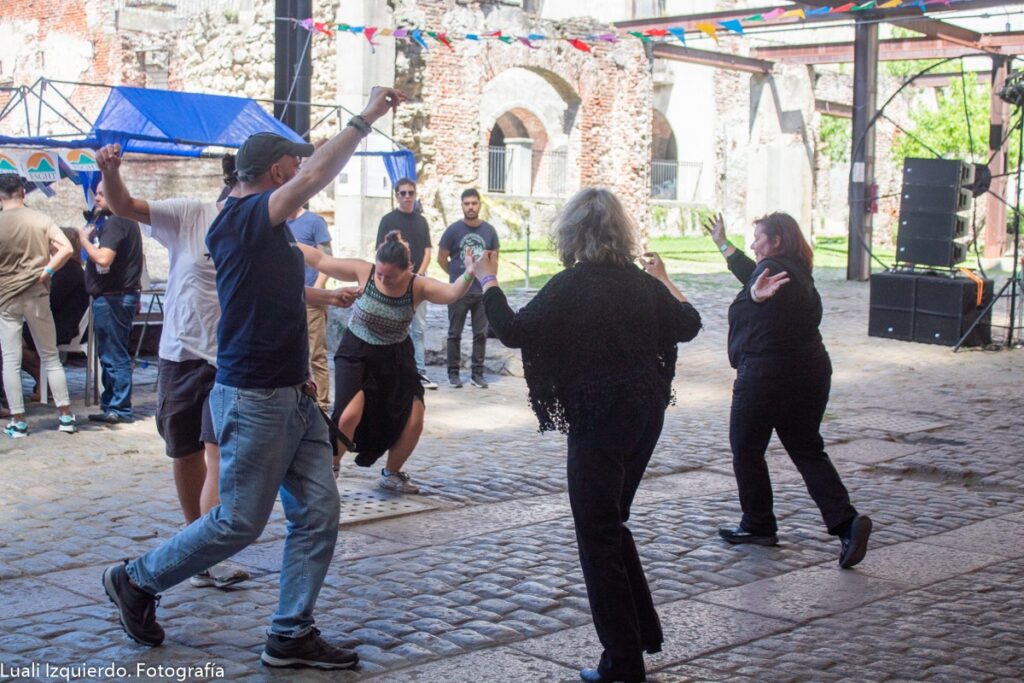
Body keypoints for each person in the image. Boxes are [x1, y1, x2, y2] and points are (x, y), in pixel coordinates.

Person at [101, 87, 402, 671]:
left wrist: (310, 343)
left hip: (290, 393)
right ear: (278, 171)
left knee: (318, 512)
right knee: (238, 521)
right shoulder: (242, 217)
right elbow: (316, 174)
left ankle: (290, 632)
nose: (301, 170)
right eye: (293, 162)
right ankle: (136, 580)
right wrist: (366, 117)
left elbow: (274, 291)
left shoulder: (267, 228)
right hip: (254, 395)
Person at [474, 188, 702, 683]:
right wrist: (664, 279)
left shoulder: (571, 285)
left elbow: (512, 330)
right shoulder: (641, 285)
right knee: (611, 524)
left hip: (600, 420)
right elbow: (689, 323)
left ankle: (623, 663)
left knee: (597, 535)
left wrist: (487, 280)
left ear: (572, 233)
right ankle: (639, 635)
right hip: (645, 417)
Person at [96, 151, 255, 589]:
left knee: (219, 454)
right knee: (185, 452)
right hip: (183, 354)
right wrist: (111, 172)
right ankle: (198, 548)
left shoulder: (263, 229)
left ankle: (211, 552)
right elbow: (124, 205)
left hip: (231, 360)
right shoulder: (191, 215)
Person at [705, 211, 872, 569]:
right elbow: (751, 274)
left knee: (746, 448)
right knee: (807, 449)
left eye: (759, 238)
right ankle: (846, 522)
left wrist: (754, 297)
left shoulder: (774, 275)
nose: (753, 245)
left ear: (777, 241)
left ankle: (758, 523)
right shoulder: (794, 270)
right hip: (809, 371)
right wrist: (722, 244)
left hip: (767, 376)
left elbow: (759, 289)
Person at [300, 230, 478, 494]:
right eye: (380, 274)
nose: (383, 280)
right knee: (349, 414)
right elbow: (320, 260)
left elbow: (451, 293)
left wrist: (469, 273)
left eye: (390, 277)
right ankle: (331, 467)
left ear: (408, 269)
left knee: (415, 416)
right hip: (357, 352)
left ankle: (392, 473)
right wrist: (284, 239)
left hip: (396, 356)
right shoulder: (365, 271)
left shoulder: (417, 286)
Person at [0, 175, 78, 437]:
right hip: (37, 293)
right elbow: (67, 249)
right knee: (51, 357)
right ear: (23, 192)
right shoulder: (40, 219)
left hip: (6, 298)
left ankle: (18, 421)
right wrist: (48, 271)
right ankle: (65, 416)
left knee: (11, 361)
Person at [80, 183, 144, 424]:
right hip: (116, 296)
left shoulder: (116, 223)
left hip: (114, 298)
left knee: (114, 354)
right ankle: (111, 404)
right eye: (96, 194)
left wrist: (84, 240)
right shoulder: (125, 221)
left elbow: (104, 258)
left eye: (102, 194)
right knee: (110, 353)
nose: (96, 198)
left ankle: (119, 407)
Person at [376, 178, 436, 389]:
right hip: (394, 282)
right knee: (392, 326)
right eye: (403, 193)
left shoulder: (421, 221)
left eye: (411, 193)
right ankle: (391, 371)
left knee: (418, 328)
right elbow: (380, 251)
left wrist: (418, 275)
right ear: (397, 195)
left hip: (417, 280)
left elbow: (427, 250)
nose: (407, 197)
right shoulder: (387, 220)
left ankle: (419, 371)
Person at [437, 188, 499, 388]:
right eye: (467, 203)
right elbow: (441, 258)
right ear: (462, 205)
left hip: (481, 292)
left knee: (480, 334)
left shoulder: (489, 231)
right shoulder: (453, 230)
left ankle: (477, 374)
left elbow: (494, 259)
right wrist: (457, 275)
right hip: (458, 291)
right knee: (454, 333)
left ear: (479, 204)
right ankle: (453, 374)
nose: (470, 207)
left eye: (474, 203)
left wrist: (487, 280)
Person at [21, 227, 89, 401]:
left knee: (11, 342)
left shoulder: (67, 272)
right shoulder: (73, 269)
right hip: (65, 326)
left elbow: (49, 301)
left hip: (59, 328)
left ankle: (44, 380)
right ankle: (43, 381)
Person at [288, 206, 334, 409]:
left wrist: (316, 291)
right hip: (288, 299)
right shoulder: (279, 222)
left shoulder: (315, 222)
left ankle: (322, 406)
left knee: (316, 354)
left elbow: (328, 261)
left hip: (312, 301)